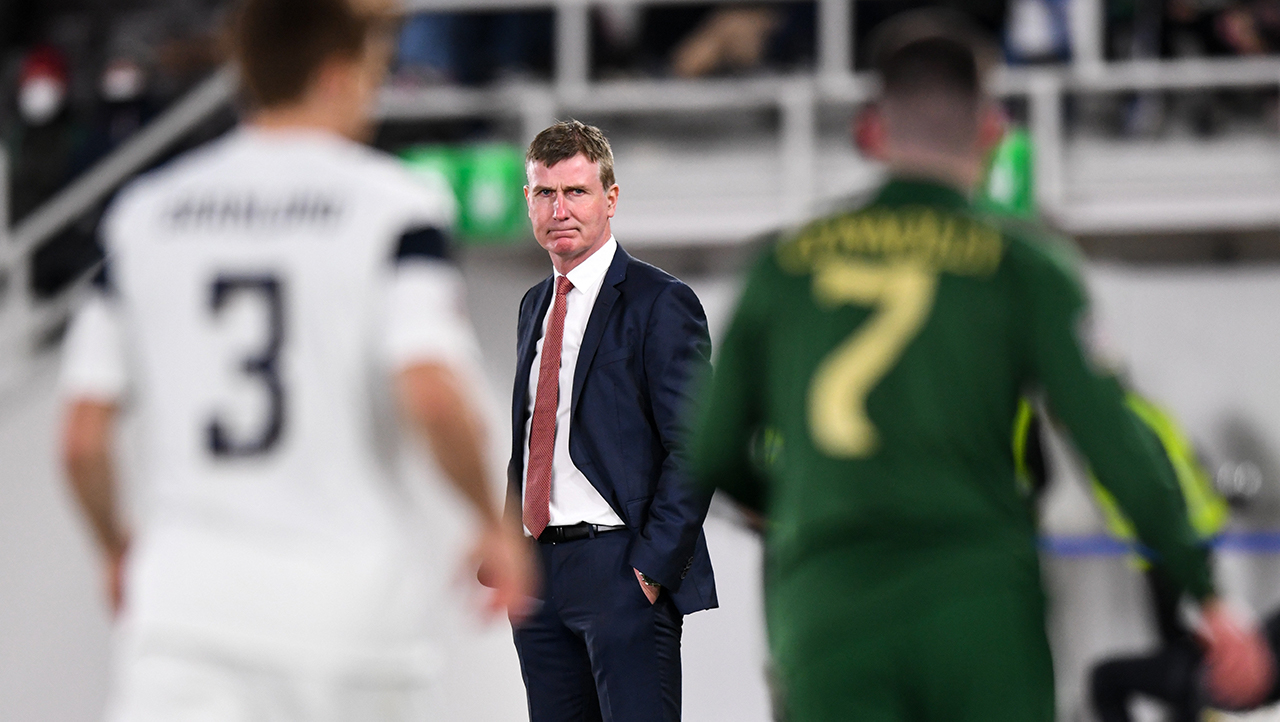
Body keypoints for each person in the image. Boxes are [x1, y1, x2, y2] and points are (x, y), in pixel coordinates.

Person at [689, 12, 1273, 722]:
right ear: (991, 130)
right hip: (978, 604)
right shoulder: (1023, 267)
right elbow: (1113, 440)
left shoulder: (782, 271)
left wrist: (797, 503)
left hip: (830, 600)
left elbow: (707, 451)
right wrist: (1205, 590)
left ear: (873, 132)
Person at [58, 0, 533, 719]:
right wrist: (490, 523)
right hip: (351, 617)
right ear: (338, 75)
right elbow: (432, 394)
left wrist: (118, 549)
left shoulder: (145, 213)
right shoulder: (394, 204)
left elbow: (82, 436)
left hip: (188, 615)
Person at [504, 119, 716, 722]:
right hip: (540, 569)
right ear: (529, 201)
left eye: (577, 191)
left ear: (611, 199)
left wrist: (650, 568)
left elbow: (697, 445)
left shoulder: (660, 301)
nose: (560, 208)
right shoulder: (533, 305)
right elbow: (530, 434)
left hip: (621, 566)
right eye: (546, 193)